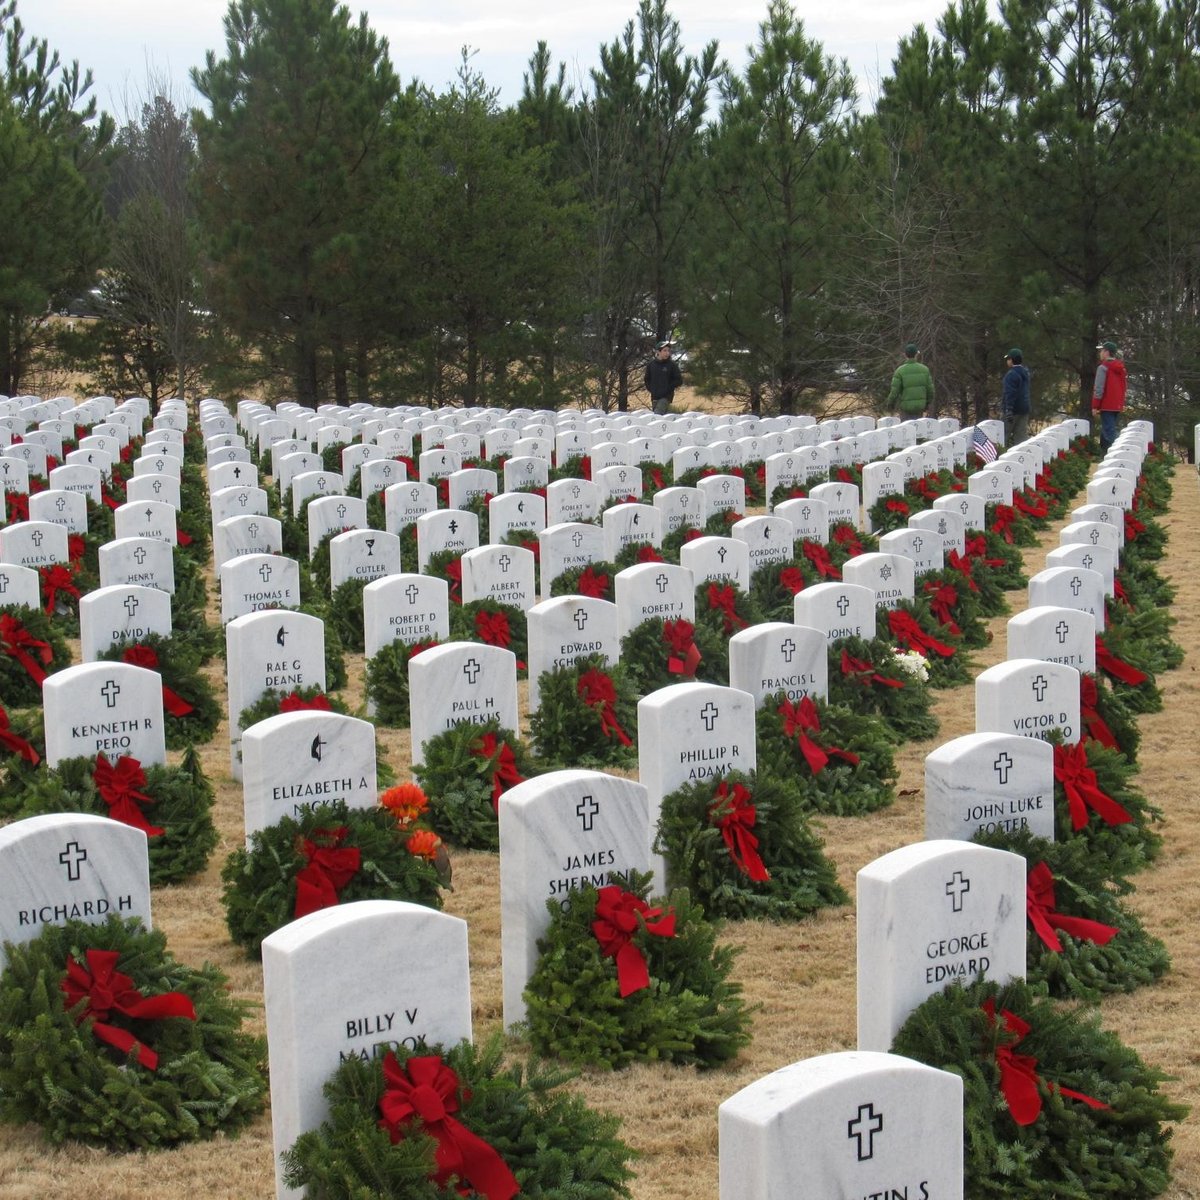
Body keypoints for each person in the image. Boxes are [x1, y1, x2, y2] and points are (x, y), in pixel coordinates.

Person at [1092, 339, 1127, 454]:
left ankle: (1117, 453)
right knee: (1107, 429)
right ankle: (1103, 452)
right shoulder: (1120, 367)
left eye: (1102, 351)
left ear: (1107, 352)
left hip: (1106, 404)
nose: (1100, 353)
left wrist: (1095, 405)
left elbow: (1099, 388)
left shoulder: (1103, 368)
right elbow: (1123, 386)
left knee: (1109, 432)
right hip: (1116, 404)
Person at [887, 343, 933, 420]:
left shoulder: (900, 371)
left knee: (906, 430)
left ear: (905, 355)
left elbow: (894, 391)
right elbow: (931, 390)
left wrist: (890, 404)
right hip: (920, 407)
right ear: (916, 354)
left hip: (905, 408)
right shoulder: (925, 369)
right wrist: (927, 404)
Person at [1001, 348, 1031, 446]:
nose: (1007, 361)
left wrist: (1008, 409)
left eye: (1008, 359)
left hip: (1013, 410)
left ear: (1012, 360)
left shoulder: (1011, 375)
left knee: (1004, 436)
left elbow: (1010, 393)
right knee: (1021, 438)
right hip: (1024, 409)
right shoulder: (1025, 372)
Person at [645, 340, 683, 415]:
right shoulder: (651, 365)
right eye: (664, 350)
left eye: (668, 351)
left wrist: (668, 388)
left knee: (657, 415)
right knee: (661, 417)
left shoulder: (672, 365)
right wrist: (652, 389)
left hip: (666, 397)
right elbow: (647, 379)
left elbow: (679, 380)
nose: (667, 353)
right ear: (658, 352)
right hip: (654, 397)